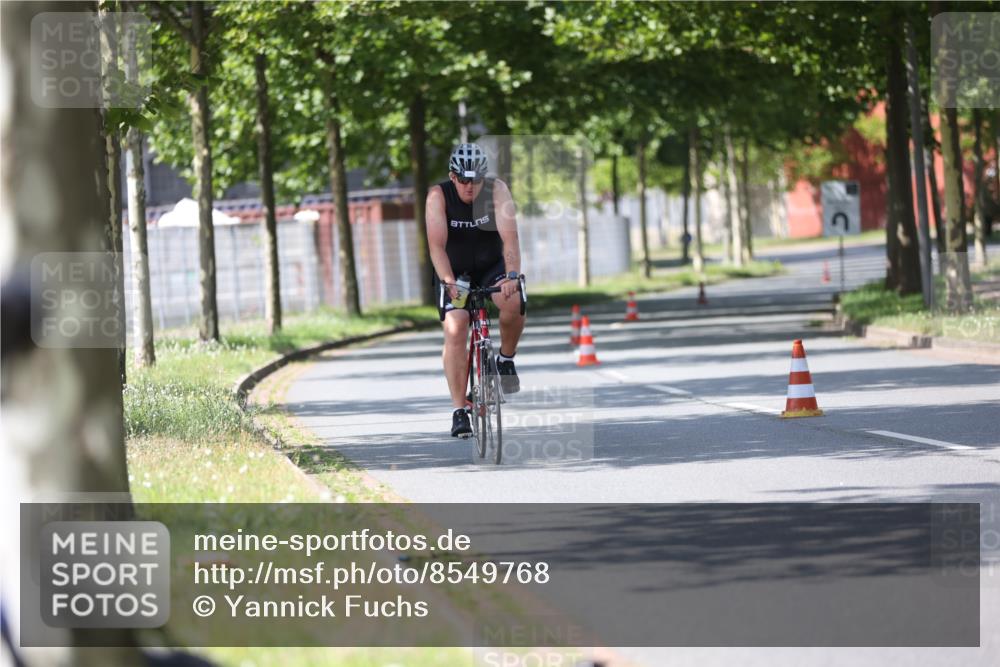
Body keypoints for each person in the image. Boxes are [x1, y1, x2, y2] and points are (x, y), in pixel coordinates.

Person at [426, 143, 526, 438]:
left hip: (491, 265)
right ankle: (459, 411)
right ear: (452, 176)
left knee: (514, 299)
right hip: (454, 271)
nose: (470, 186)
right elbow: (436, 247)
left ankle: (505, 360)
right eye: (463, 180)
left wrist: (511, 275)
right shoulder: (438, 196)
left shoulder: (497, 190)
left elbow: (510, 239)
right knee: (457, 325)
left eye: (476, 180)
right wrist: (448, 282)